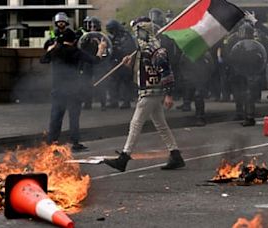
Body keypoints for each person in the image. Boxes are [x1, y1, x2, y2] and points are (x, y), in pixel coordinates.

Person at [103, 16, 185, 172]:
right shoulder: (147, 48)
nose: (136, 36)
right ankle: (175, 155)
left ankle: (124, 158)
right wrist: (130, 64)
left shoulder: (154, 49)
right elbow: (143, 72)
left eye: (138, 32)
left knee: (135, 124)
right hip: (150, 91)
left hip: (151, 92)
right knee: (161, 125)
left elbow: (166, 71)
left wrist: (169, 94)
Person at [41, 13, 107, 151]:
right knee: (74, 117)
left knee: (56, 118)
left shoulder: (56, 51)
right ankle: (74, 143)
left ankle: (52, 144)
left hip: (58, 89)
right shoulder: (76, 51)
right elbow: (95, 61)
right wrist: (101, 50)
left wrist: (50, 49)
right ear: (73, 40)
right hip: (73, 90)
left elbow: (43, 60)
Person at [105, 19, 137, 109]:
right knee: (113, 82)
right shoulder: (112, 36)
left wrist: (118, 49)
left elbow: (129, 48)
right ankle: (113, 101)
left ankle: (126, 102)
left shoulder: (125, 36)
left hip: (124, 62)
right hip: (114, 61)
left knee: (125, 82)